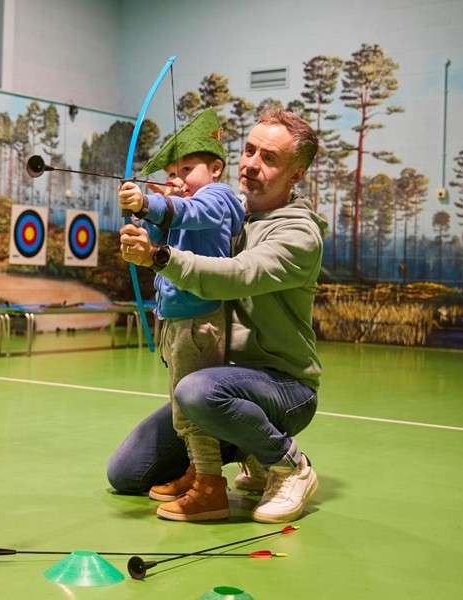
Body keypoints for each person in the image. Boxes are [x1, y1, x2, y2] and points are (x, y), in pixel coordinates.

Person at [111, 107, 326, 523]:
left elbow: (234, 276)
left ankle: (289, 464)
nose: (251, 165)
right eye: (249, 150)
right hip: (221, 379)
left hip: (282, 388)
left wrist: (158, 255)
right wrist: (150, 222)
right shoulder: (230, 210)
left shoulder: (299, 233)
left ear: (295, 174)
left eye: (269, 158)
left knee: (196, 393)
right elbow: (193, 218)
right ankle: (246, 454)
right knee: (126, 473)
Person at [116, 108, 244, 521]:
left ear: (216, 168)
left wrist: (152, 201)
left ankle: (210, 487)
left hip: (199, 322)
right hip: (176, 321)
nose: (178, 179)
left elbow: (191, 213)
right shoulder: (179, 205)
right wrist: (140, 227)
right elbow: (159, 236)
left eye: (188, 169)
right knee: (181, 408)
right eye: (173, 172)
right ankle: (197, 472)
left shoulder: (218, 197)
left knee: (192, 411)